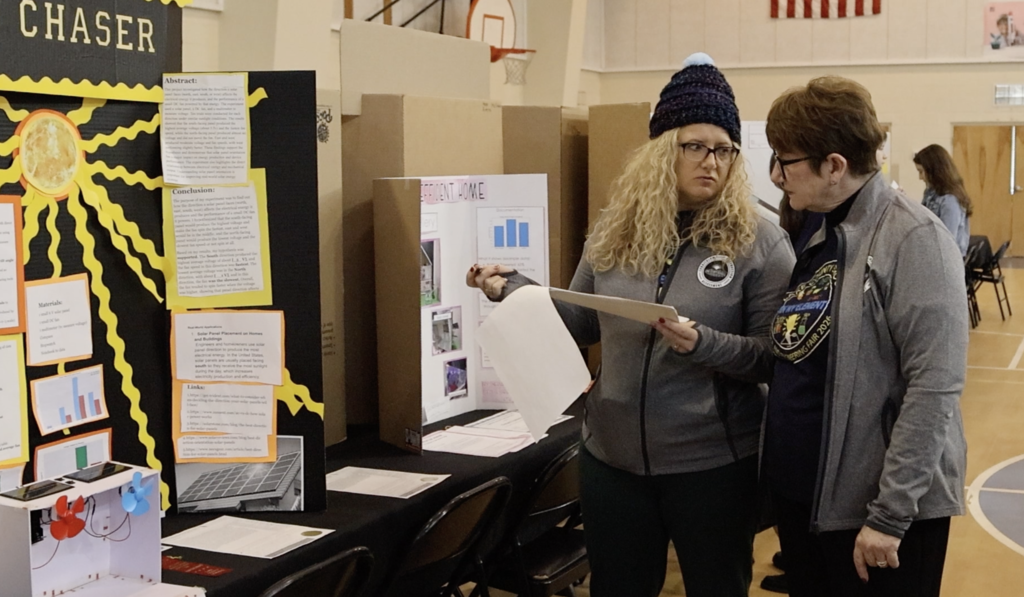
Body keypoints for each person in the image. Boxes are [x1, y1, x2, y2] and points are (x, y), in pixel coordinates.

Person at [467, 53, 795, 597]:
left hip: (712, 465)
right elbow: (580, 321)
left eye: (724, 149)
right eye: (695, 146)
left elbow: (771, 357)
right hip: (611, 461)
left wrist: (703, 343)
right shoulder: (614, 232)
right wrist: (516, 289)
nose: (711, 161)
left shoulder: (761, 243)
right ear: (663, 149)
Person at [764, 76, 968, 597]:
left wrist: (891, 514)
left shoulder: (916, 238)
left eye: (784, 161)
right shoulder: (820, 228)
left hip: (874, 518)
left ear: (834, 166)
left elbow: (934, 387)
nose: (775, 175)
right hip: (811, 501)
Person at [913, 144, 972, 256]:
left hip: (946, 260)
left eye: (921, 172)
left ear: (934, 171)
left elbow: (946, 241)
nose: (920, 177)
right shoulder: (930, 193)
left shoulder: (950, 200)